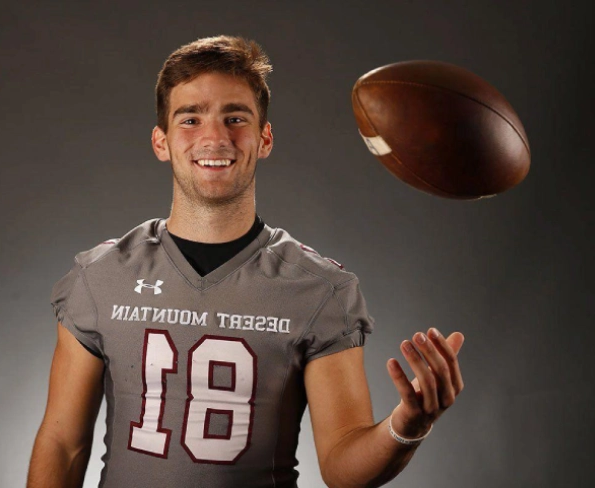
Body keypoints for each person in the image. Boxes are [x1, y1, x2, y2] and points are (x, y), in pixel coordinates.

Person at [27, 35, 465, 488]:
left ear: (265, 137)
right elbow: (62, 443)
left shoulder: (320, 289)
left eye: (235, 118)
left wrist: (406, 428)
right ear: (161, 141)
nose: (215, 137)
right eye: (191, 119)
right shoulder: (102, 276)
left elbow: (341, 466)